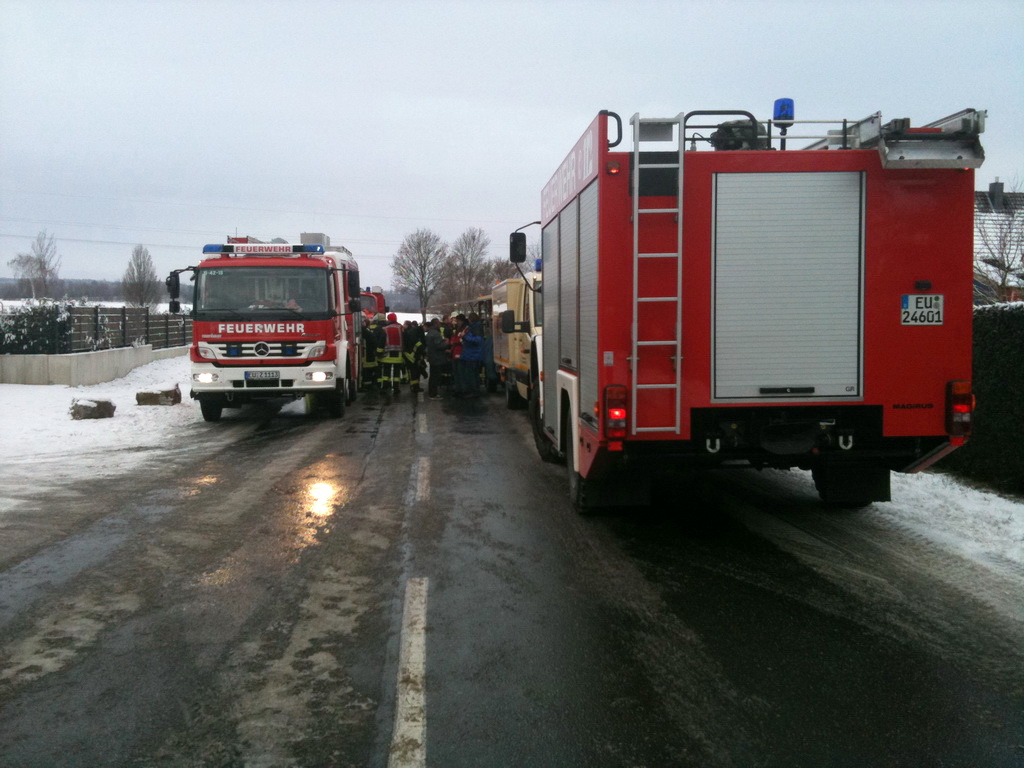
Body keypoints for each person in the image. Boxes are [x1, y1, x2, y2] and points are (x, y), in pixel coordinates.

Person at [377, 312, 406, 401]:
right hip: (398, 355)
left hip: (387, 355)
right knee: (397, 373)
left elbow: (381, 341)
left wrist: (379, 352)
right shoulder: (401, 328)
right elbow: (406, 340)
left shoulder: (385, 329)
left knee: (386, 373)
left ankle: (385, 387)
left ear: (389, 320)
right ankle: (396, 388)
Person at [458, 312, 484, 397]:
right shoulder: (474, 327)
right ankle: (475, 390)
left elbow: (478, 340)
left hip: (472, 355)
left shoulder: (475, 328)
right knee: (473, 374)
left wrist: (465, 337)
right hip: (472, 354)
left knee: (471, 374)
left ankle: (473, 391)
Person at [424, 319, 450, 400]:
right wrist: (446, 342)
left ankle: (432, 393)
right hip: (437, 357)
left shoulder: (430, 333)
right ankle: (433, 394)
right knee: (435, 376)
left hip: (432, 357)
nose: (440, 325)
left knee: (432, 376)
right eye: (439, 323)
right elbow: (439, 345)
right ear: (435, 324)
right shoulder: (436, 333)